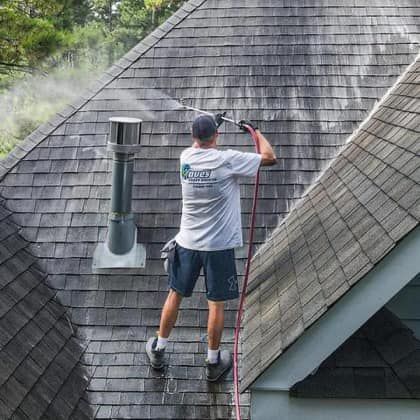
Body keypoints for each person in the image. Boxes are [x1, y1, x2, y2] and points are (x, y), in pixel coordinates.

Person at [146, 114, 276, 381]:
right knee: (216, 304)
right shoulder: (226, 160)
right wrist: (255, 130)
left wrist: (210, 124)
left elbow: (201, 144)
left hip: (187, 243)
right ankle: (213, 361)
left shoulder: (185, 159)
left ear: (194, 137)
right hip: (217, 247)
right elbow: (269, 156)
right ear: (216, 137)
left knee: (175, 295)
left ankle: (159, 349)